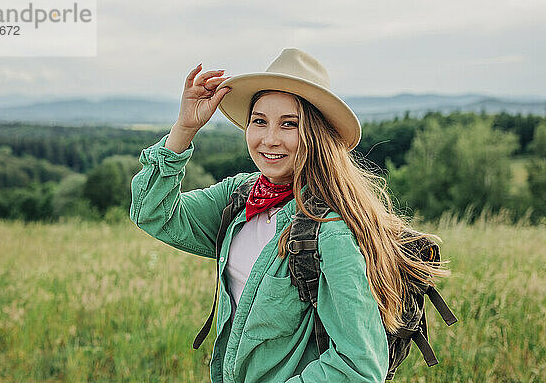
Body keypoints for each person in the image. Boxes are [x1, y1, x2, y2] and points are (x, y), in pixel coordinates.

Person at [129, 48, 447, 382]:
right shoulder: (239, 197)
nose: (270, 139)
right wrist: (184, 128)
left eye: (289, 124)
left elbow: (359, 367)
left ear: (316, 134)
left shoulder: (330, 229)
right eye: (259, 121)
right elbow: (152, 211)